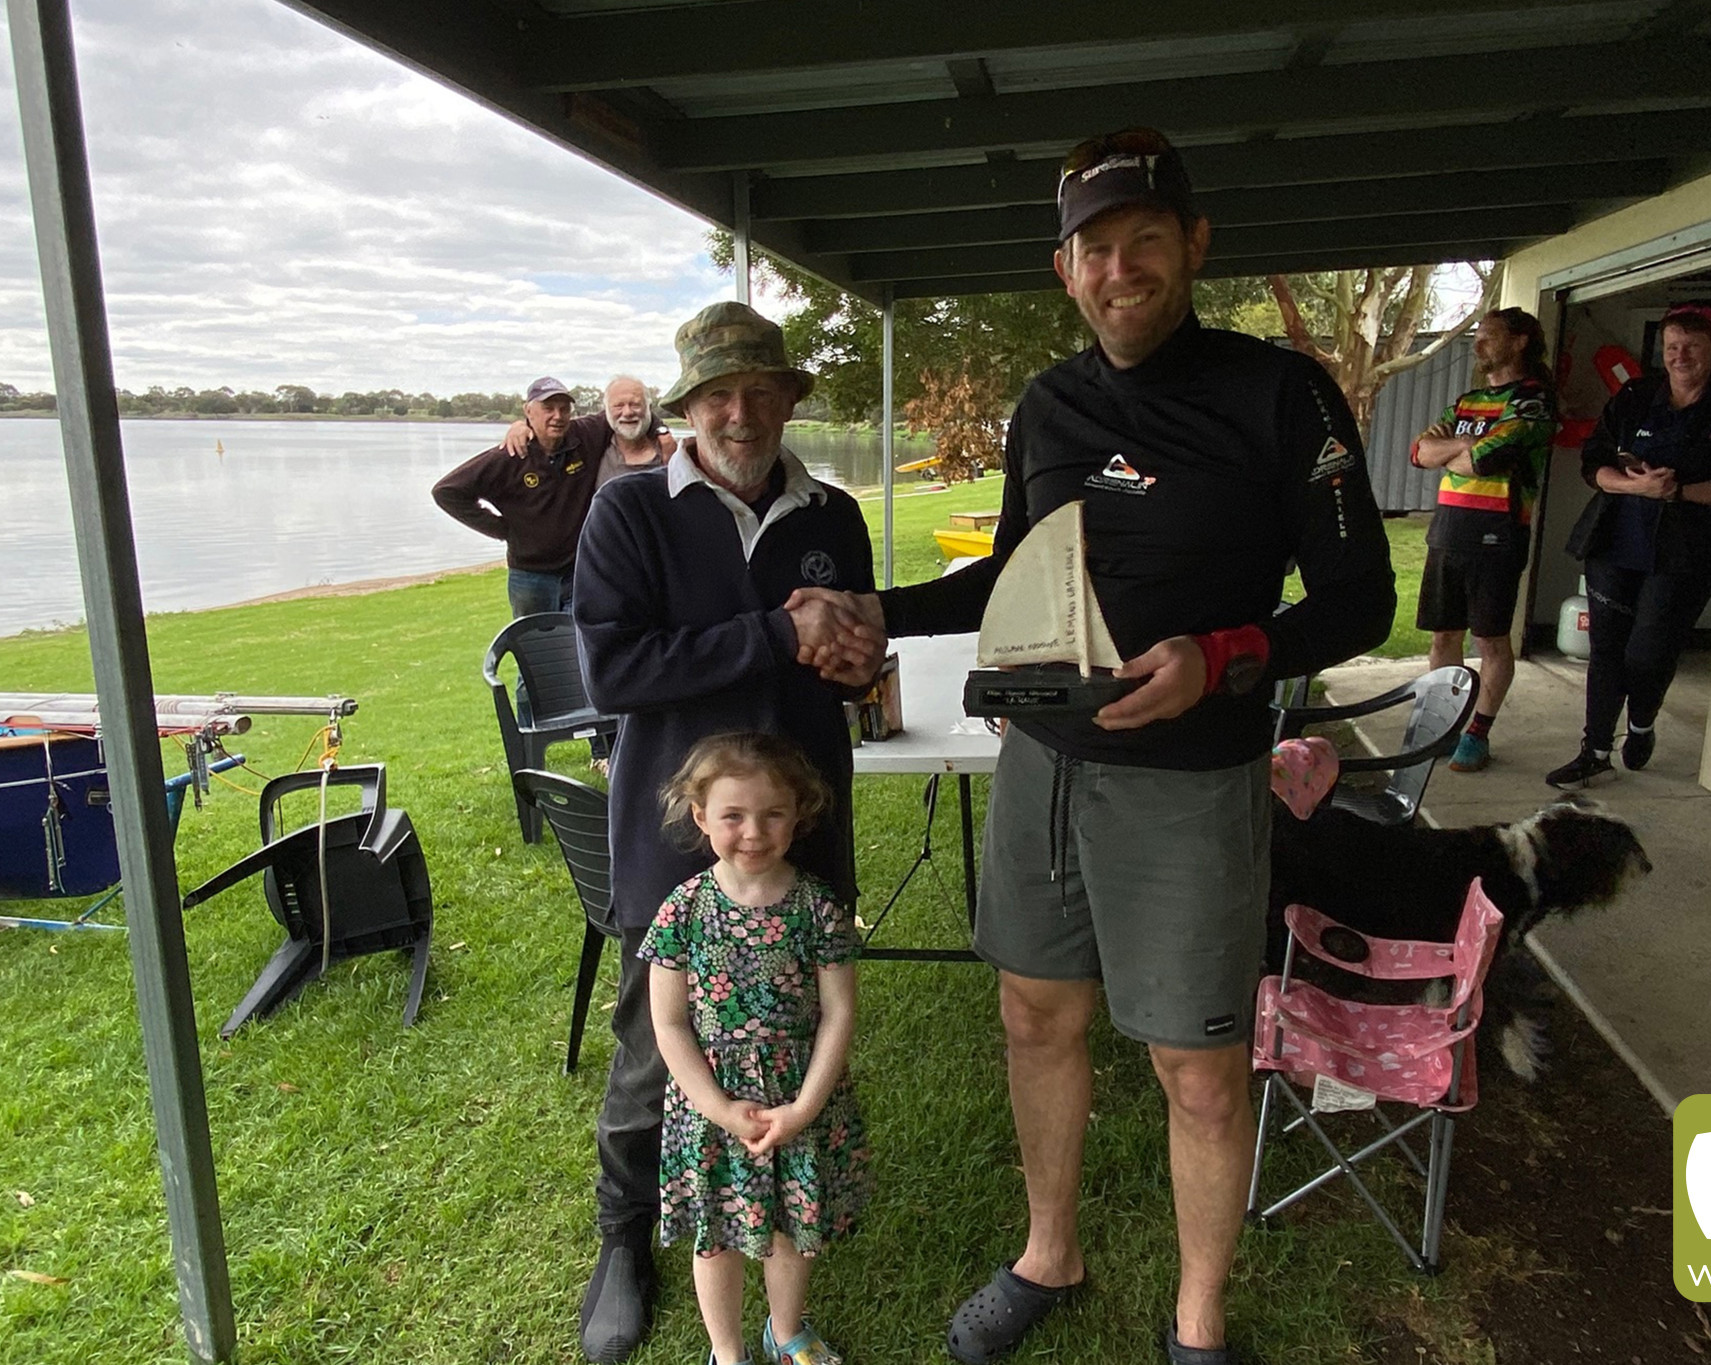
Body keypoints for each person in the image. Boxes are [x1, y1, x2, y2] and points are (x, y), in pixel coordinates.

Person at [793, 128, 1395, 1365]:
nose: (1120, 270)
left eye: (1144, 243)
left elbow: (1357, 601)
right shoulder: (1052, 403)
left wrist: (1217, 660)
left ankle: (1195, 1326)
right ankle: (1047, 1253)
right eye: (1094, 250)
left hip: (1190, 781)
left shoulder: (1278, 393)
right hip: (1045, 767)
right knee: (1032, 1014)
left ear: (1193, 247)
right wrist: (878, 614)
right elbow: (1012, 578)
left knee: (1194, 1064)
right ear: (1060, 269)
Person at [570, 301, 880, 1363]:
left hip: (801, 830)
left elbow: (844, 642)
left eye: (758, 392)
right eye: (716, 396)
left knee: (799, 1028)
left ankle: (786, 1216)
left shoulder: (831, 512)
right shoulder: (628, 513)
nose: (739, 413)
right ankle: (622, 1240)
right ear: (686, 407)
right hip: (677, 835)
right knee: (650, 1048)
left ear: (789, 399)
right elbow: (612, 671)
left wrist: (853, 662)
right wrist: (774, 633)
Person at [645, 732, 869, 1365]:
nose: (753, 831)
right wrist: (717, 1107)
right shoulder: (682, 912)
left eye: (773, 813)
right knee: (715, 1235)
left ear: (798, 814)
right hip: (711, 1107)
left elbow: (839, 1012)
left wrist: (804, 1108)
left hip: (795, 1099)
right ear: (701, 817)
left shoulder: (819, 909)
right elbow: (669, 1025)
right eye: (733, 815)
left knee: (790, 1229)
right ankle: (727, 1350)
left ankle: (787, 1330)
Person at [1547, 300, 1711, 789]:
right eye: (1671, 346)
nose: (1679, 355)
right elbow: (1594, 464)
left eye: (1690, 345)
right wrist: (1633, 487)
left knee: (1648, 653)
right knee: (1606, 650)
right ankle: (1595, 750)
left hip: (1686, 550)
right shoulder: (1636, 395)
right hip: (1616, 538)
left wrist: (1677, 491)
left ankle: (1641, 722)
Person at [1410, 308, 1558, 772]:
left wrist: (1452, 450)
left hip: (1497, 536)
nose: (1478, 344)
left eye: (1488, 336)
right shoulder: (1467, 401)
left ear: (1519, 342)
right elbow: (1418, 452)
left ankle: (1478, 733)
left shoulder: (1533, 402)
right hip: (1448, 531)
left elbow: (1488, 460)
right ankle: (1442, 725)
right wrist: (1459, 448)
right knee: (1442, 636)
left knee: (1490, 641)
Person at [431, 375, 603, 618]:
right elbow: (447, 491)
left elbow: (630, 409)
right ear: (528, 412)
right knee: (533, 648)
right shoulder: (509, 456)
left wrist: (660, 431)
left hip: (578, 574)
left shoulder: (584, 437)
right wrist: (502, 529)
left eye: (564, 409)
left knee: (577, 650)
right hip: (529, 578)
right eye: (548, 408)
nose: (557, 416)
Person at [501, 373, 680, 486]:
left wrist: (662, 431)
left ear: (648, 406)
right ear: (607, 410)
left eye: (635, 404)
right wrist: (522, 425)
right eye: (618, 405)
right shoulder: (594, 441)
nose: (627, 412)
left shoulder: (675, 453)